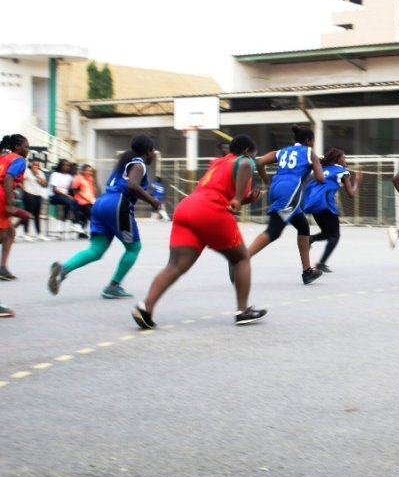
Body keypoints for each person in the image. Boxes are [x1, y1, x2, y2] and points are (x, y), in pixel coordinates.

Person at [132, 134, 266, 328]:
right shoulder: (243, 160)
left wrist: (244, 199)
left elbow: (224, 191)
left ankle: (146, 307)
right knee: (241, 258)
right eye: (253, 156)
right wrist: (238, 198)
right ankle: (243, 311)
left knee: (175, 265)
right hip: (210, 209)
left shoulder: (219, 163)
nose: (252, 160)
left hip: (187, 208)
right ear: (246, 151)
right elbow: (245, 165)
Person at [47, 135, 161, 300]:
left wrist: (148, 194)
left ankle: (64, 269)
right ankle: (113, 286)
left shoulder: (124, 163)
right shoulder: (139, 163)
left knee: (96, 250)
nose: (154, 155)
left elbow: (131, 185)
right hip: (117, 205)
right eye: (153, 151)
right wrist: (152, 201)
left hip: (101, 203)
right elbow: (132, 185)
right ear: (149, 151)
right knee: (134, 248)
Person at [246, 124, 324, 285]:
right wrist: (313, 169)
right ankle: (242, 258)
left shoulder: (283, 151)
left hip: (277, 187)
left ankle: (307, 271)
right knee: (274, 230)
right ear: (309, 140)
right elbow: (321, 178)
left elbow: (259, 163)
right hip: (289, 192)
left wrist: (267, 182)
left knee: (303, 226)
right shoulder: (310, 152)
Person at [302, 148, 361, 273]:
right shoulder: (342, 172)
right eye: (343, 157)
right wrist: (357, 182)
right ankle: (321, 263)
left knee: (327, 232)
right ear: (338, 159)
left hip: (312, 204)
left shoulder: (319, 170)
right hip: (325, 205)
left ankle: (310, 239)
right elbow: (351, 194)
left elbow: (305, 183)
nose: (345, 160)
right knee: (335, 235)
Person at [0, 134, 31, 290]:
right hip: (2, 195)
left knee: (10, 232)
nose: (28, 150)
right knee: (4, 234)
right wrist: (10, 203)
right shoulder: (19, 160)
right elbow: (8, 178)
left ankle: (3, 268)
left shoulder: (4, 157)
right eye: (26, 146)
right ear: (18, 147)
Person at [48, 159, 81, 232]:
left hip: (65, 197)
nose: (66, 166)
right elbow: (54, 189)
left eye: (67, 165)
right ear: (60, 165)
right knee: (68, 202)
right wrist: (67, 196)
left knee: (75, 202)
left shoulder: (69, 177)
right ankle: (67, 223)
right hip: (55, 196)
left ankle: (75, 224)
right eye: (64, 165)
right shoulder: (55, 174)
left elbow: (72, 188)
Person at [21, 158, 50, 241]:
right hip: (28, 194)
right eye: (34, 165)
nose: (36, 166)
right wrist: (23, 188)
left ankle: (39, 234)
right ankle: (26, 233)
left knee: (37, 215)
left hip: (37, 194)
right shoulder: (27, 171)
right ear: (31, 165)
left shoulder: (40, 173)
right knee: (28, 214)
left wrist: (37, 175)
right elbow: (19, 180)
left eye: (37, 165)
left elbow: (44, 183)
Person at [70, 163, 97, 238]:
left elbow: (92, 190)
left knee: (88, 215)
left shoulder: (90, 179)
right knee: (91, 213)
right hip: (81, 200)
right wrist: (87, 199)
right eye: (87, 171)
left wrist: (93, 199)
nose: (89, 173)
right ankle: (93, 231)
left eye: (90, 171)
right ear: (83, 171)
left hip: (90, 200)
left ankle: (82, 231)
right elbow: (76, 190)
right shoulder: (78, 178)